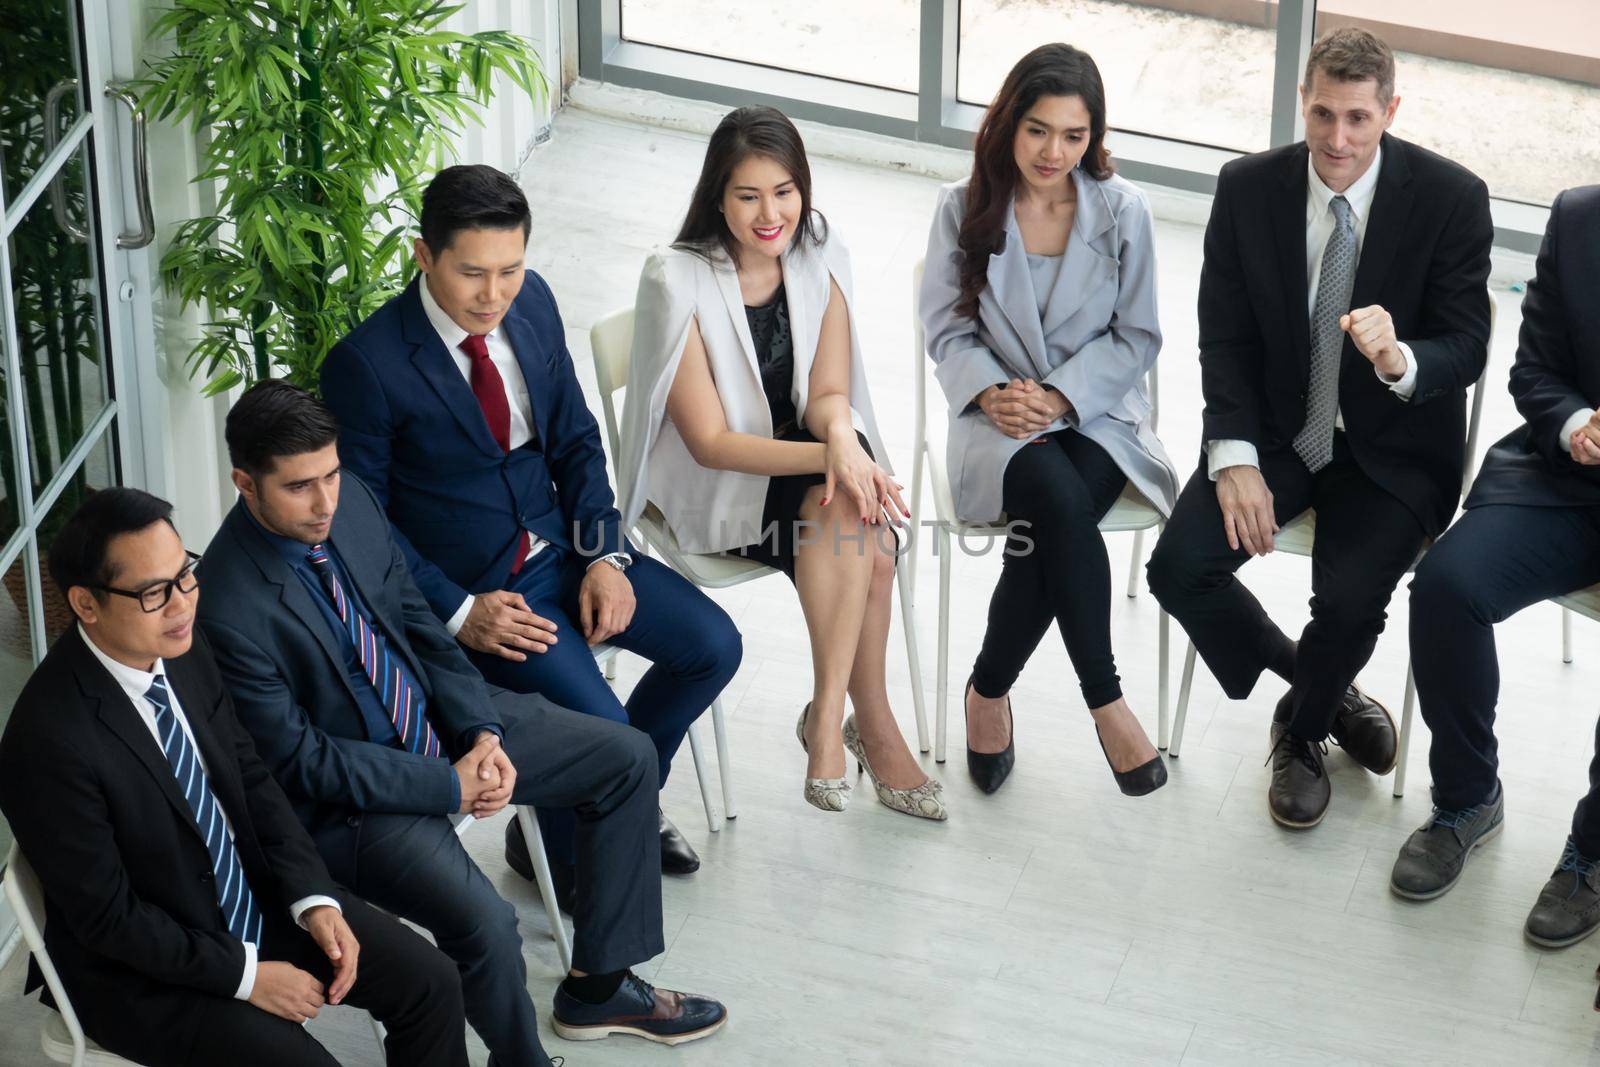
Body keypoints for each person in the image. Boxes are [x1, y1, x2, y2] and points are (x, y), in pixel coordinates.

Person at [195, 382, 728, 1065]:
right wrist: (449, 785)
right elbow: (305, 761)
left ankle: (599, 987)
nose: (327, 500)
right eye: (301, 486)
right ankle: (522, 1059)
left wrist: (481, 731)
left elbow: (416, 619)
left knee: (626, 756)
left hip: (442, 722)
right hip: (361, 804)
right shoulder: (227, 606)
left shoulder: (350, 499)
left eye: (331, 473)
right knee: (488, 923)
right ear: (244, 482)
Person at [319, 164, 742, 878]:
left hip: (569, 545)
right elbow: (363, 524)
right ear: (423, 256)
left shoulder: (533, 302)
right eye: (472, 274)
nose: (494, 295)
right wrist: (457, 611)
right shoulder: (367, 364)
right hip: (488, 591)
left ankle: (599, 811)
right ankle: (589, 839)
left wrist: (607, 553)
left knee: (714, 645)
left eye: (510, 270)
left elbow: (575, 437)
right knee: (609, 734)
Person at [1146, 27, 1493, 829]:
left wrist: (1400, 355)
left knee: (1347, 600)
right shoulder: (1247, 188)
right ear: (1301, 102)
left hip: (1397, 449)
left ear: (1390, 112)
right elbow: (1223, 335)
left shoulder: (1451, 198)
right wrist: (1231, 456)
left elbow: (1467, 343)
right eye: (1324, 114)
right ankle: (1321, 686)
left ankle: (1300, 733)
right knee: (1178, 566)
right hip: (1276, 428)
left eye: (1360, 119)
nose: (1339, 139)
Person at [0, 488, 469, 1067]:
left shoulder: (183, 649)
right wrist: (246, 977)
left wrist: (312, 898)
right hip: (142, 969)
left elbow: (251, 780)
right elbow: (110, 921)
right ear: (86, 604)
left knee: (432, 981)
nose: (182, 604)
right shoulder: (46, 741)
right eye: (153, 592)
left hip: (248, 896)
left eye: (185, 575)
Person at [618, 106, 940, 818]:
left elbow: (827, 392)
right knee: (865, 527)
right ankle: (853, 723)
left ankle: (835, 717)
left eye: (785, 190)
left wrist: (843, 444)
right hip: (719, 486)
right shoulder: (675, 279)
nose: (772, 213)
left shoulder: (818, 246)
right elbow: (710, 442)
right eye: (748, 195)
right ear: (717, 196)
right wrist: (838, 452)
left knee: (867, 534)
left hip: (802, 467)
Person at [918, 43, 1176, 798]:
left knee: (1052, 523)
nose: (1053, 152)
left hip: (1096, 412)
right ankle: (1109, 703)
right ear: (1008, 123)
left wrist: (1061, 397)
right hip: (993, 415)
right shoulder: (959, 206)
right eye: (1037, 130)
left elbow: (1138, 335)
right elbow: (944, 329)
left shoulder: (1125, 211)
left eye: (1074, 135)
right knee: (1058, 506)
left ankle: (987, 690)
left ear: (1095, 136)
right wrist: (993, 391)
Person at [1392, 186, 1600, 949]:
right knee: (1446, 586)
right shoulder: (1581, 218)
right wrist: (1576, 424)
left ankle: (1594, 853)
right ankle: (1467, 796)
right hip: (1562, 478)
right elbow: (1536, 369)